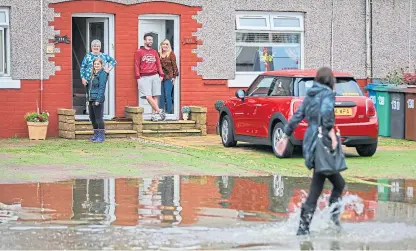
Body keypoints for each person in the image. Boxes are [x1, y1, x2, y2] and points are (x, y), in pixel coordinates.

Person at [276, 67, 346, 235]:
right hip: (322, 144)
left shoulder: (310, 95)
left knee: (335, 183)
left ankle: (325, 222)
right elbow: (326, 112)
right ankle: (311, 227)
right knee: (321, 187)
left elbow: (297, 116)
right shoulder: (328, 94)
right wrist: (331, 132)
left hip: (310, 142)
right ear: (329, 80)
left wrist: (285, 136)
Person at [134, 33, 166, 121]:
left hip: (155, 75)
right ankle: (159, 111)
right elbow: (136, 65)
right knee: (148, 96)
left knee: (155, 96)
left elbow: (158, 64)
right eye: (148, 40)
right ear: (144, 41)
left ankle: (154, 115)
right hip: (144, 77)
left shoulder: (154, 52)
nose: (150, 41)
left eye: (151, 40)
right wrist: (138, 77)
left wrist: (161, 75)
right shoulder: (139, 52)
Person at [86, 58, 108, 143]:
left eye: (98, 64)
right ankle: (95, 135)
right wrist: (88, 99)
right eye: (95, 64)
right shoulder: (92, 74)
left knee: (99, 118)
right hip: (91, 99)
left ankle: (101, 136)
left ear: (101, 65)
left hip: (97, 99)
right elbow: (89, 88)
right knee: (92, 118)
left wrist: (98, 99)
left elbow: (102, 87)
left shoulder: (102, 74)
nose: (96, 66)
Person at [158, 39, 179, 114]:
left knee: (167, 94)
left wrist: (174, 77)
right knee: (161, 95)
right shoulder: (158, 54)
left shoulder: (171, 54)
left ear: (169, 46)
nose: (165, 46)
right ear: (161, 45)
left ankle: (168, 112)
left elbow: (174, 66)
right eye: (163, 44)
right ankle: (160, 112)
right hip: (160, 78)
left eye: (167, 44)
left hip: (169, 77)